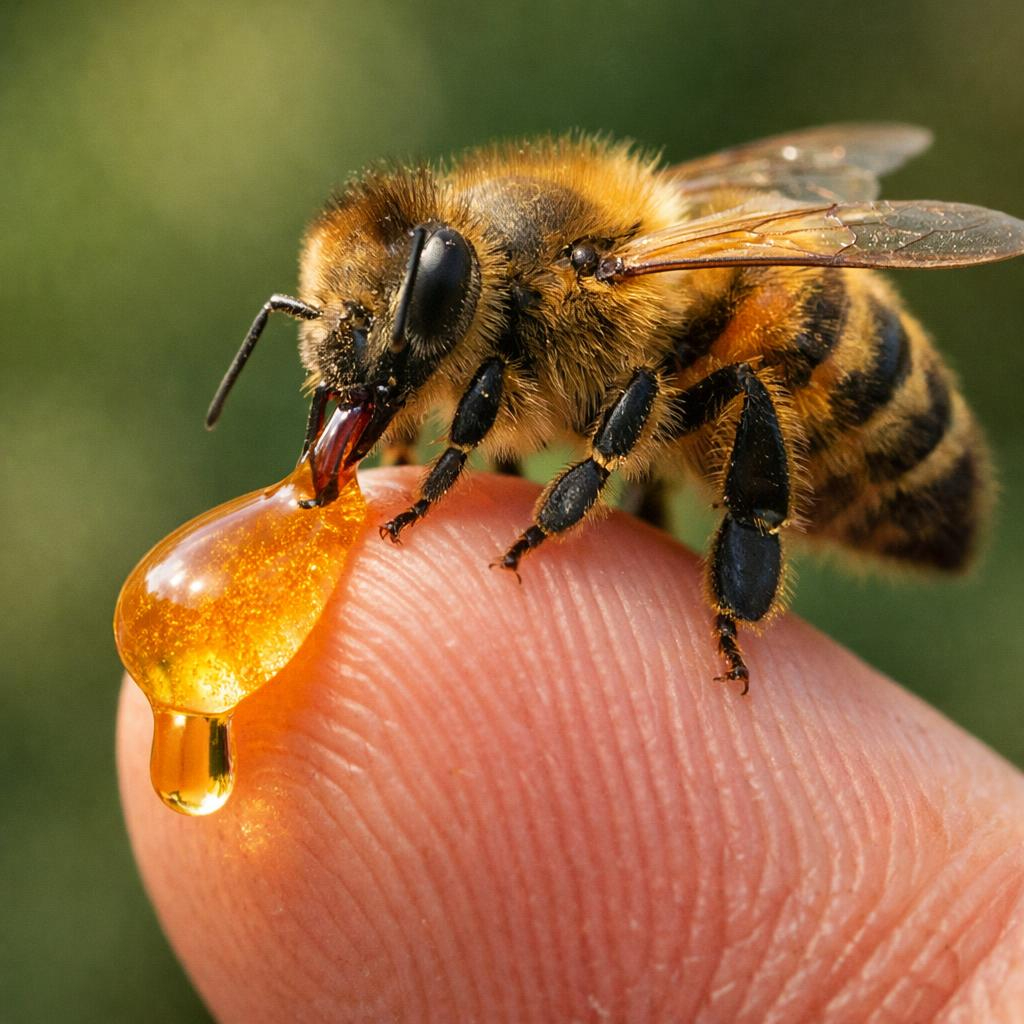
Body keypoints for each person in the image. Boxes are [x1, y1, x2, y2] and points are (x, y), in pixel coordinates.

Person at [117, 469, 1024, 1022]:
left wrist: (517, 511)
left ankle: (732, 601)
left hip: (838, 407)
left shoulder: (572, 289)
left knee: (729, 373)